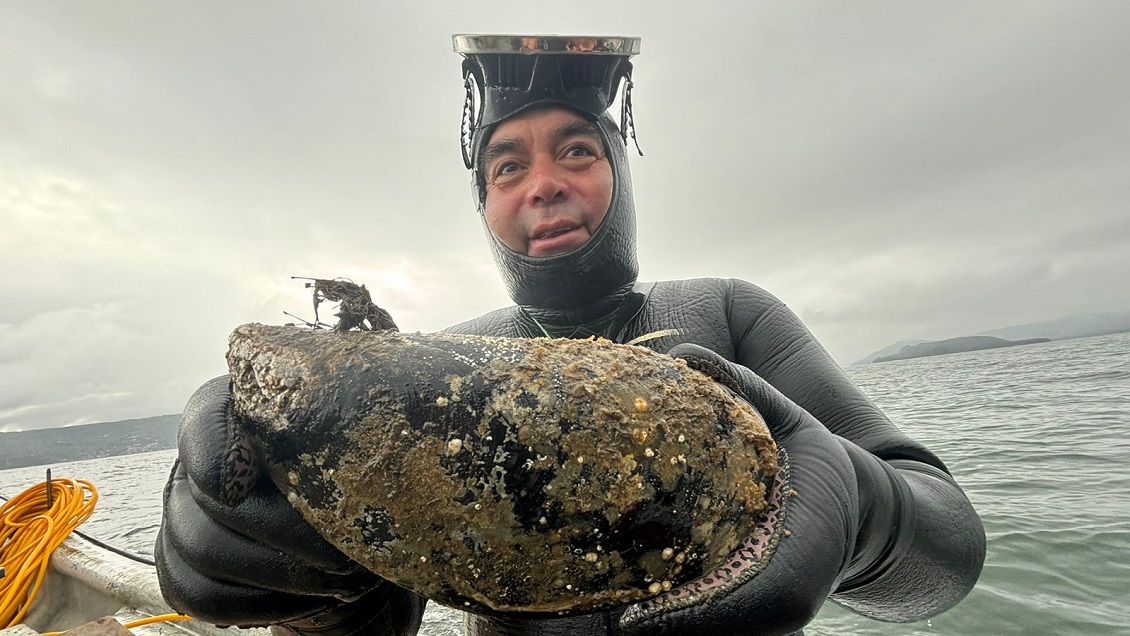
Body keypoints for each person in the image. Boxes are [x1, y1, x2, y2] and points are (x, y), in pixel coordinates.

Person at [155, 35, 986, 636]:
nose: (544, 184)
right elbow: (381, 613)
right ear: (483, 204)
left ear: (620, 175)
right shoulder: (439, 371)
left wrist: (863, 512)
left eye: (578, 150)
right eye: (507, 166)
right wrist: (293, 577)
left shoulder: (728, 314)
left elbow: (945, 553)